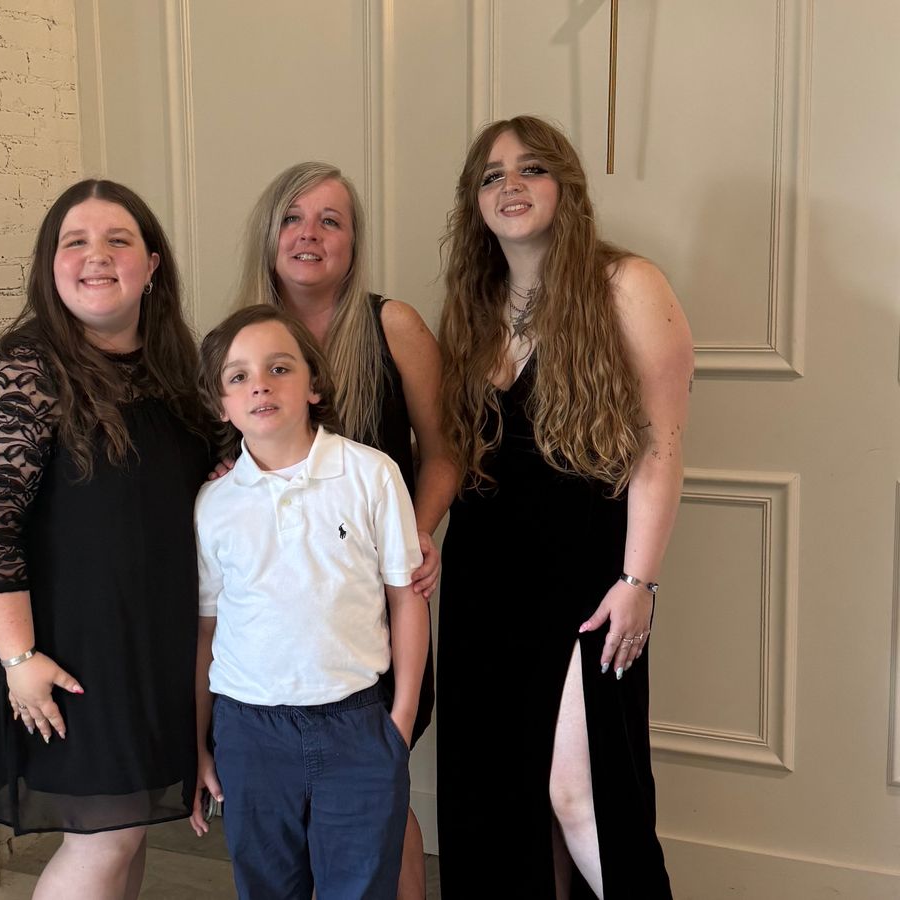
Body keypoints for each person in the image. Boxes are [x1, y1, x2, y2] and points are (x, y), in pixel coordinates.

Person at [436, 116, 693, 899]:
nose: (510, 186)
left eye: (532, 169)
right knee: (502, 798)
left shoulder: (627, 284)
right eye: (492, 176)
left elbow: (660, 447)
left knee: (582, 796)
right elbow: (452, 449)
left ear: (565, 186)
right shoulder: (475, 306)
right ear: (475, 202)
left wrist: (638, 582)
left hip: (584, 582)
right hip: (482, 581)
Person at [0, 179, 210, 900]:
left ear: (151, 265)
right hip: (72, 655)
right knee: (105, 839)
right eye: (76, 242)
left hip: (155, 645)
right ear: (51, 266)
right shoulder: (22, 372)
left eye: (118, 240)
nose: (97, 256)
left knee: (128, 831)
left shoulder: (172, 372)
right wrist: (19, 658)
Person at [233, 162, 458, 897]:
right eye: (293, 218)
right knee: (295, 820)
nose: (309, 234)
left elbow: (446, 452)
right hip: (281, 629)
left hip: (377, 611)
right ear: (270, 235)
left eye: (330, 220)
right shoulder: (241, 343)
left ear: (353, 242)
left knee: (380, 793)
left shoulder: (394, 327)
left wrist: (414, 535)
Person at [190, 304, 428, 899]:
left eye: (279, 368)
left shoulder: (371, 475)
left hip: (356, 723)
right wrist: (199, 743)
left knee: (360, 887)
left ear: (314, 385)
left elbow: (407, 600)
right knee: (267, 886)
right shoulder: (214, 505)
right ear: (221, 404)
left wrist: (399, 722)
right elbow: (207, 632)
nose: (260, 385)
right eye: (238, 376)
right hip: (248, 730)